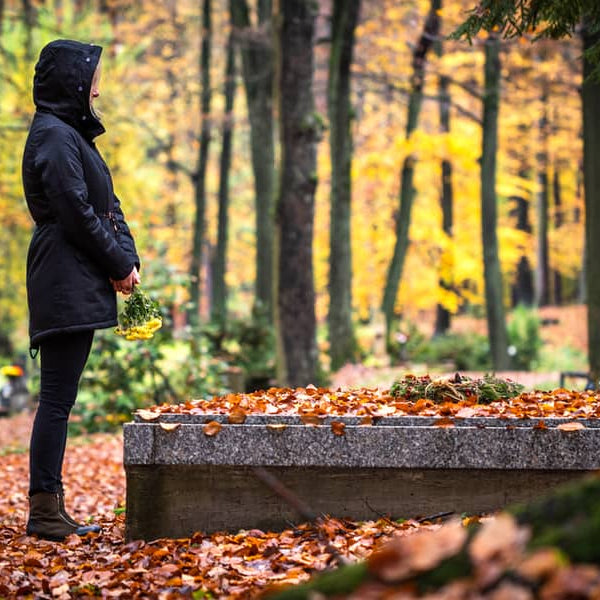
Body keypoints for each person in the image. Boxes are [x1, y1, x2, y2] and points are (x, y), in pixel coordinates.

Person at [22, 39, 141, 541]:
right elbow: (75, 209)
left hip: (76, 276)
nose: (99, 86)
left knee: (60, 398)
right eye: (93, 76)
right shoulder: (53, 136)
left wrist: (128, 258)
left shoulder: (71, 136)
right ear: (73, 80)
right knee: (56, 400)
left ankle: (50, 508)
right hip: (63, 278)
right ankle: (45, 510)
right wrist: (115, 263)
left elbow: (108, 205)